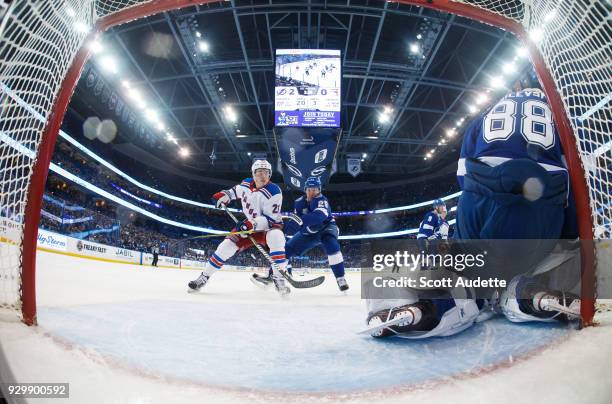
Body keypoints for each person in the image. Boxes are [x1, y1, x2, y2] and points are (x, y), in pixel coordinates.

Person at [455, 79, 581, 323]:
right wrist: (569, 236)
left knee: (471, 271)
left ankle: (458, 298)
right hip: (534, 204)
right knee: (557, 253)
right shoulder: (559, 118)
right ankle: (524, 290)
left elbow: (463, 177)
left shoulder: (485, 115)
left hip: (477, 202)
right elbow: (573, 183)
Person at [187, 160, 290, 296]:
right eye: (259, 172)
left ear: (270, 174)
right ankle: (204, 277)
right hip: (249, 226)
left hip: (268, 228)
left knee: (277, 238)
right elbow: (234, 192)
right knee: (225, 247)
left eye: (266, 172)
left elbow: (269, 219)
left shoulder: (274, 191)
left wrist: (250, 224)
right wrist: (224, 196)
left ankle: (279, 278)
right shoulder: (246, 184)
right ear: (253, 174)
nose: (262, 176)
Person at [252, 176, 349, 292]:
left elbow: (318, 217)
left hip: (326, 229)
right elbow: (294, 222)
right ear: (305, 190)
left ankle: (340, 278)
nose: (312, 192)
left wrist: (301, 221)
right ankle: (271, 276)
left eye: (315, 190)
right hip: (307, 233)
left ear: (319, 190)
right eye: (309, 189)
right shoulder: (298, 203)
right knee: (285, 250)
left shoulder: (322, 201)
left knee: (331, 244)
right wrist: (282, 232)